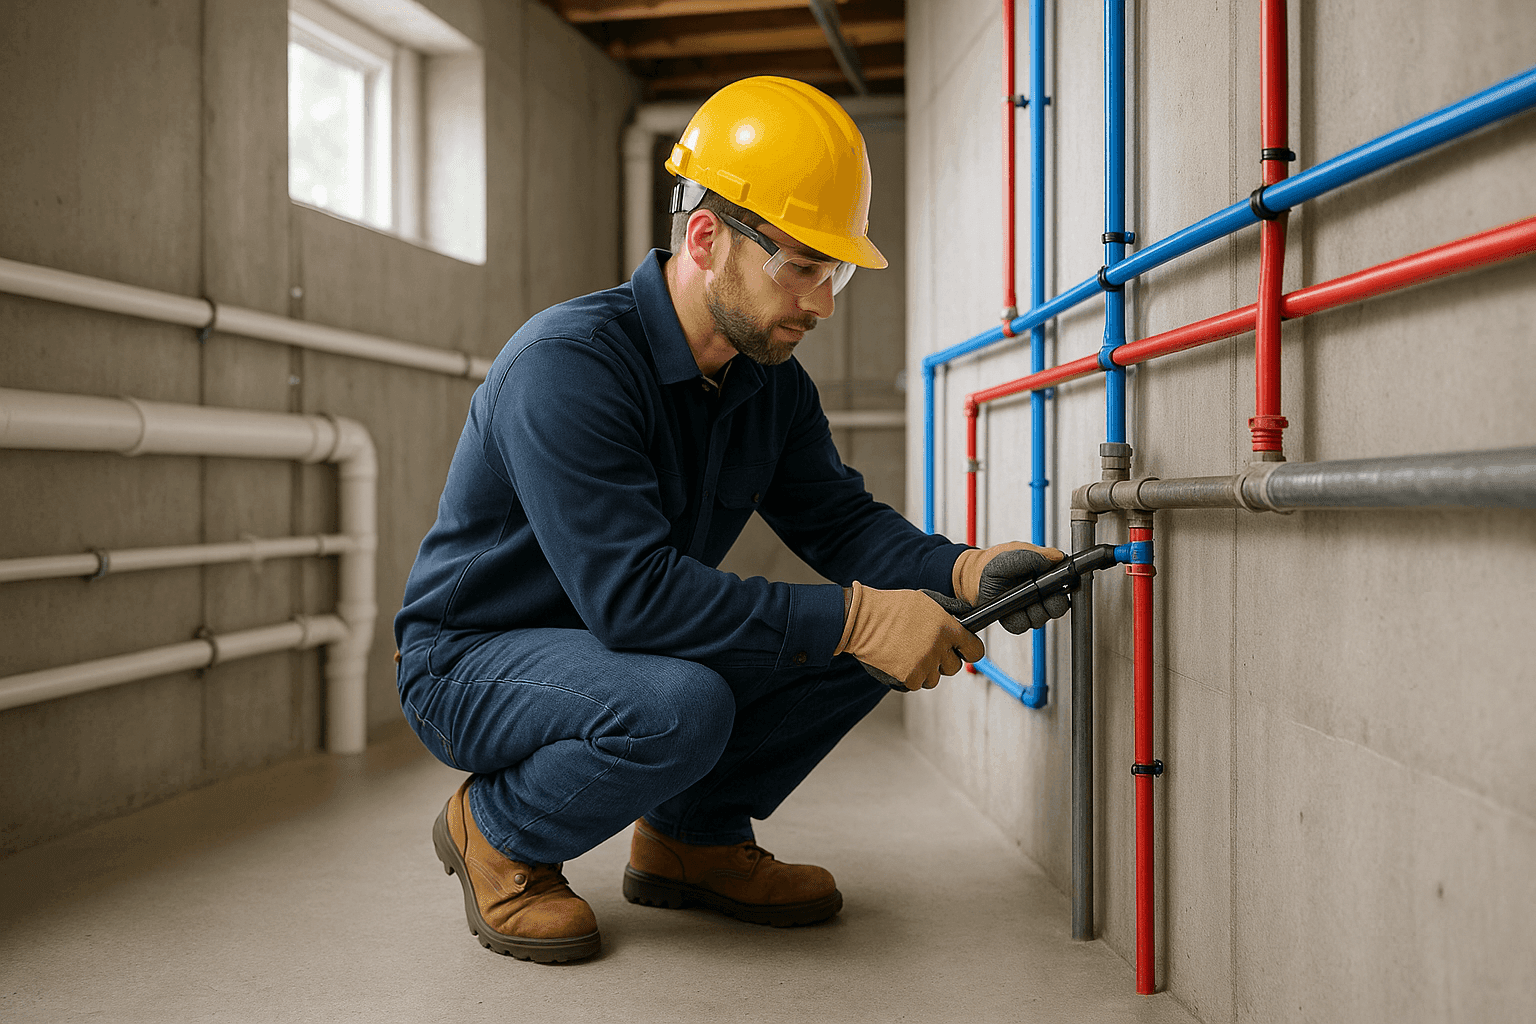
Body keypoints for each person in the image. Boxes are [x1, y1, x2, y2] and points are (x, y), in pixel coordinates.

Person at [393, 76, 1068, 964]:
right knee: (693, 699)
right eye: (803, 266)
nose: (822, 303)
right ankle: (498, 831)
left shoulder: (768, 384)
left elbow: (838, 522)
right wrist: (858, 616)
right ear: (707, 238)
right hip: (472, 662)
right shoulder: (569, 367)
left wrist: (961, 572)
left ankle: (692, 839)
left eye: (834, 275)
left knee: (877, 637)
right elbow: (633, 601)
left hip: (616, 649)